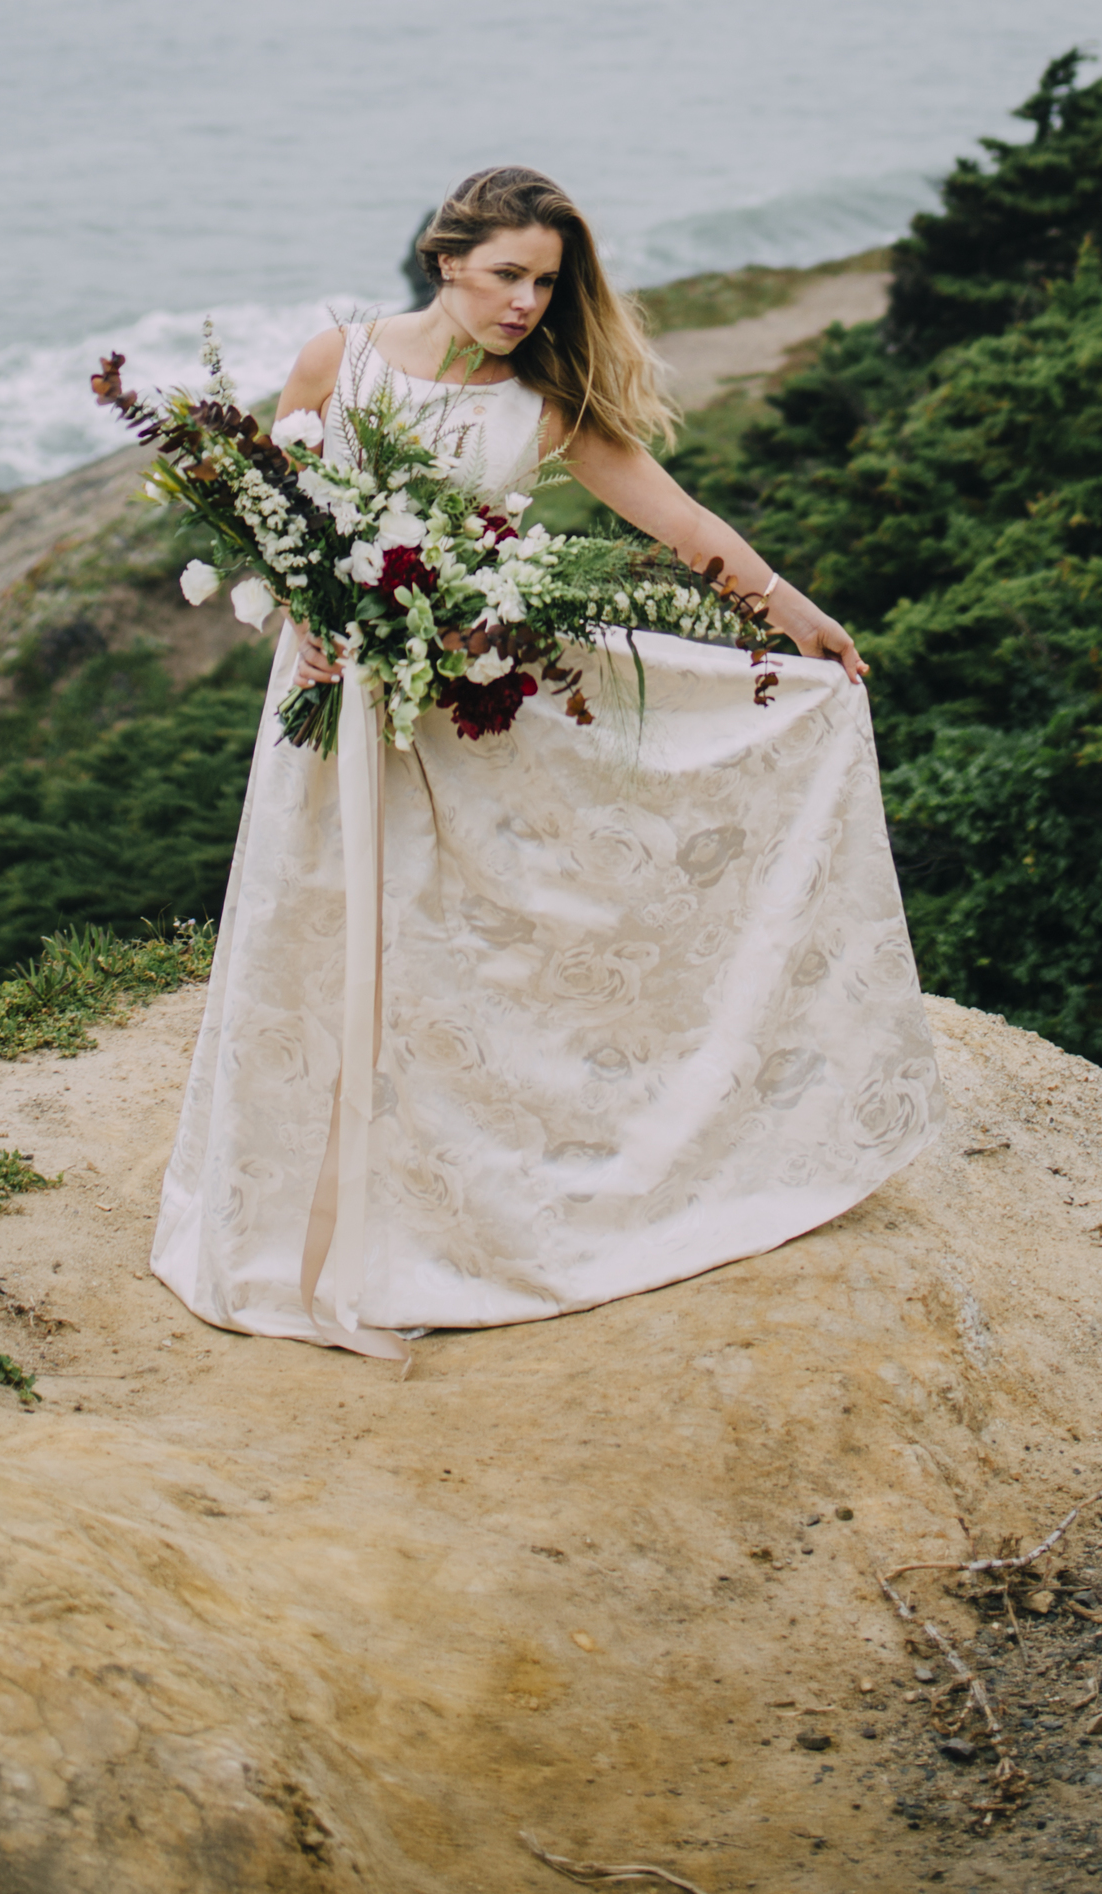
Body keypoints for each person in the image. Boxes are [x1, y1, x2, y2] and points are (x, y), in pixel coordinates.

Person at [152, 164, 942, 1363]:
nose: (526, 304)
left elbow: (673, 521)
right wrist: (306, 615)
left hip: (470, 702)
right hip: (340, 701)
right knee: (329, 932)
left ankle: (444, 1222)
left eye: (546, 284)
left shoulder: (544, 403)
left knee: (455, 958)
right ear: (445, 259)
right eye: (508, 275)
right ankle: (309, 1224)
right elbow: (276, 510)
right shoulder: (337, 361)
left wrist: (790, 614)